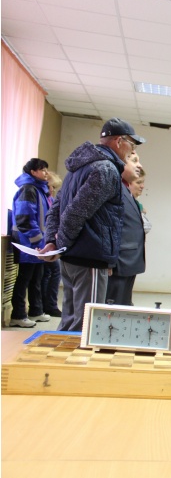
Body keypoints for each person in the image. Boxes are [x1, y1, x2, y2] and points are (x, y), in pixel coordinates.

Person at [41, 118, 145, 332]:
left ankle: (62, 353)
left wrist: (53, 241)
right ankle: (75, 356)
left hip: (72, 257)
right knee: (87, 324)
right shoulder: (106, 169)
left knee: (70, 320)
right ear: (119, 141)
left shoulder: (78, 168)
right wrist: (59, 243)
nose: (132, 150)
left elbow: (56, 209)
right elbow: (77, 211)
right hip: (89, 258)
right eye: (131, 144)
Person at [10, 158, 52, 327]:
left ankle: (36, 311)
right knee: (24, 278)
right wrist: (38, 240)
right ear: (33, 172)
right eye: (42, 169)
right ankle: (18, 315)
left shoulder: (39, 190)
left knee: (37, 278)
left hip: (38, 244)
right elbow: (24, 218)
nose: (46, 173)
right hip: (28, 243)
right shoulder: (28, 189)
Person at [106, 152, 146, 306]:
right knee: (113, 305)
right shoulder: (115, 190)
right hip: (119, 262)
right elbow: (109, 227)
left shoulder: (128, 194)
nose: (139, 165)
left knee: (123, 303)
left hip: (129, 261)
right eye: (134, 161)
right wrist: (109, 260)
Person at [40, 171, 63, 317]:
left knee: (49, 273)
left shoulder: (50, 199)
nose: (52, 190)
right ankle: (49, 305)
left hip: (46, 242)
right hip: (43, 243)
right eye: (51, 186)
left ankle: (47, 305)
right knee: (53, 272)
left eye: (54, 187)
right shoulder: (41, 197)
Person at [128, 168, 151, 234]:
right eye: (138, 182)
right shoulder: (123, 204)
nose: (142, 186)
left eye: (143, 182)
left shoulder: (137, 204)